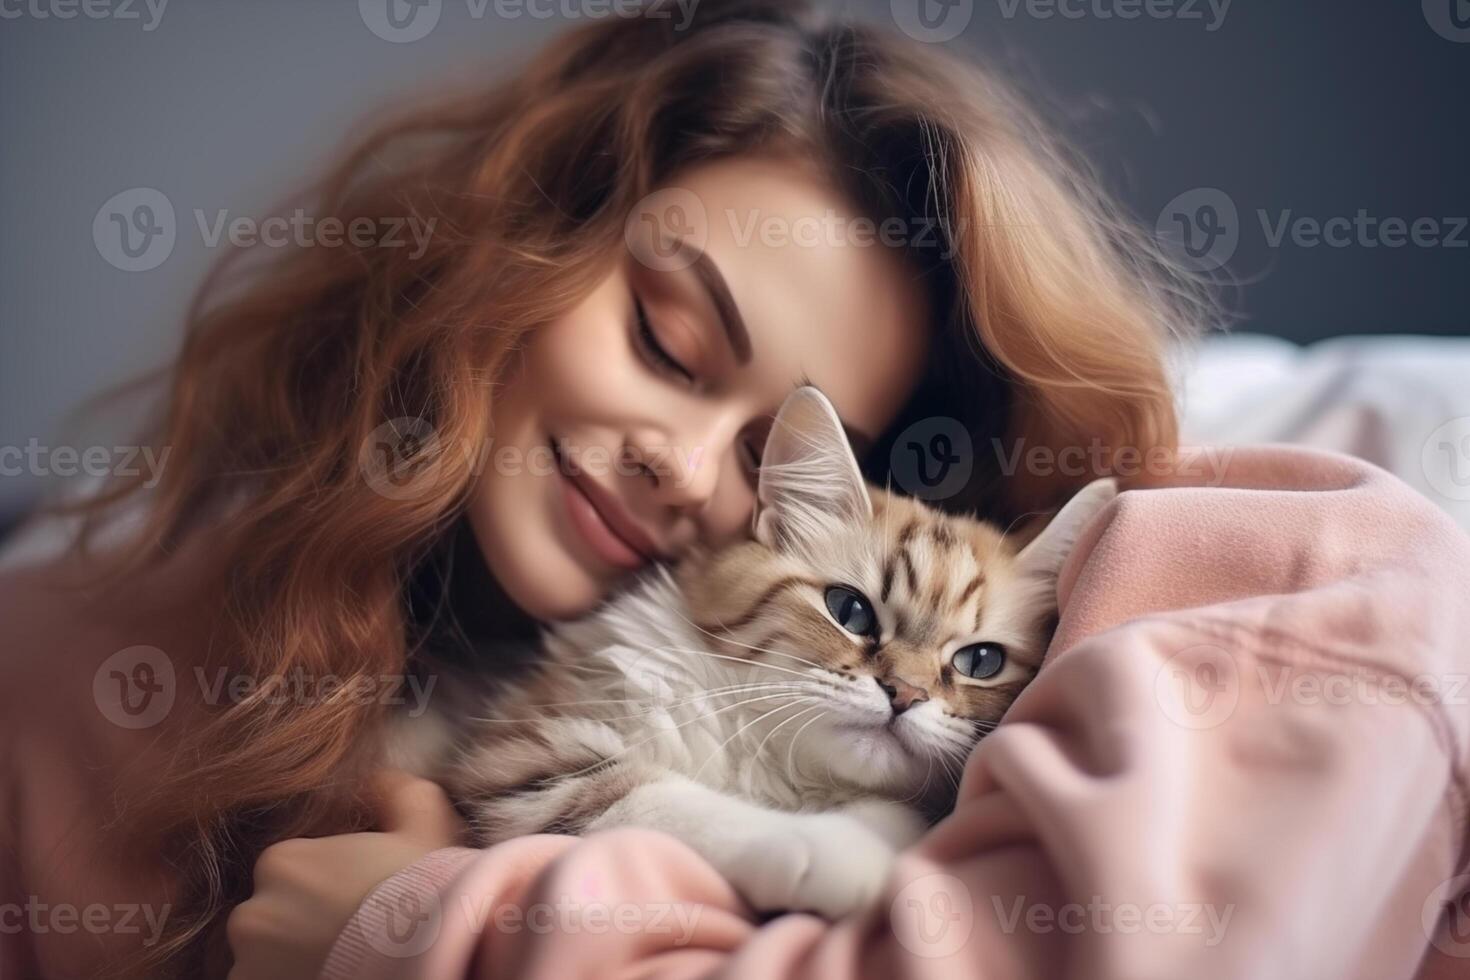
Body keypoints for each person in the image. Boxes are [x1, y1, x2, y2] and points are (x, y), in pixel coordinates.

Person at [0, 2, 1208, 977]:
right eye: (669, 343)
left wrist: (447, 926)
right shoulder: (51, 667)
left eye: (762, 456)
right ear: (523, 236)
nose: (681, 467)